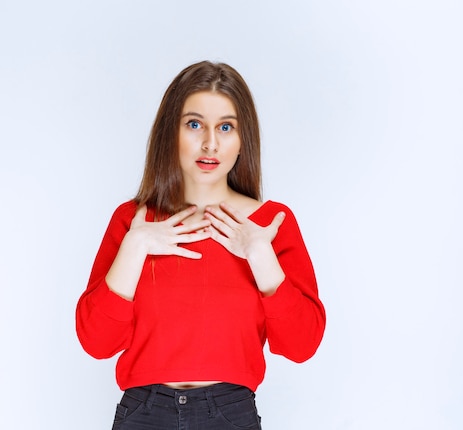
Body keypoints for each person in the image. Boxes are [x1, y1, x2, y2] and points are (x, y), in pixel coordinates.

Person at [76, 61, 326, 430]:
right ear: (170, 133)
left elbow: (301, 345)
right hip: (142, 413)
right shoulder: (134, 221)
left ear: (243, 141)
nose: (210, 142)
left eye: (226, 127)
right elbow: (97, 342)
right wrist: (135, 247)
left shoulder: (270, 224)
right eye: (194, 124)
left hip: (230, 412)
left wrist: (260, 256)